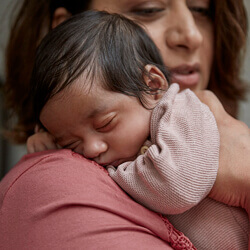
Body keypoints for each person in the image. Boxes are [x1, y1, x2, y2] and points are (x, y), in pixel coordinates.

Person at [1, 0, 250, 249]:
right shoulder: (49, 188)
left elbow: (176, 188)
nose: (191, 35)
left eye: (200, 10)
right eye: (149, 9)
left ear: (153, 84)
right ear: (66, 30)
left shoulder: (179, 112)